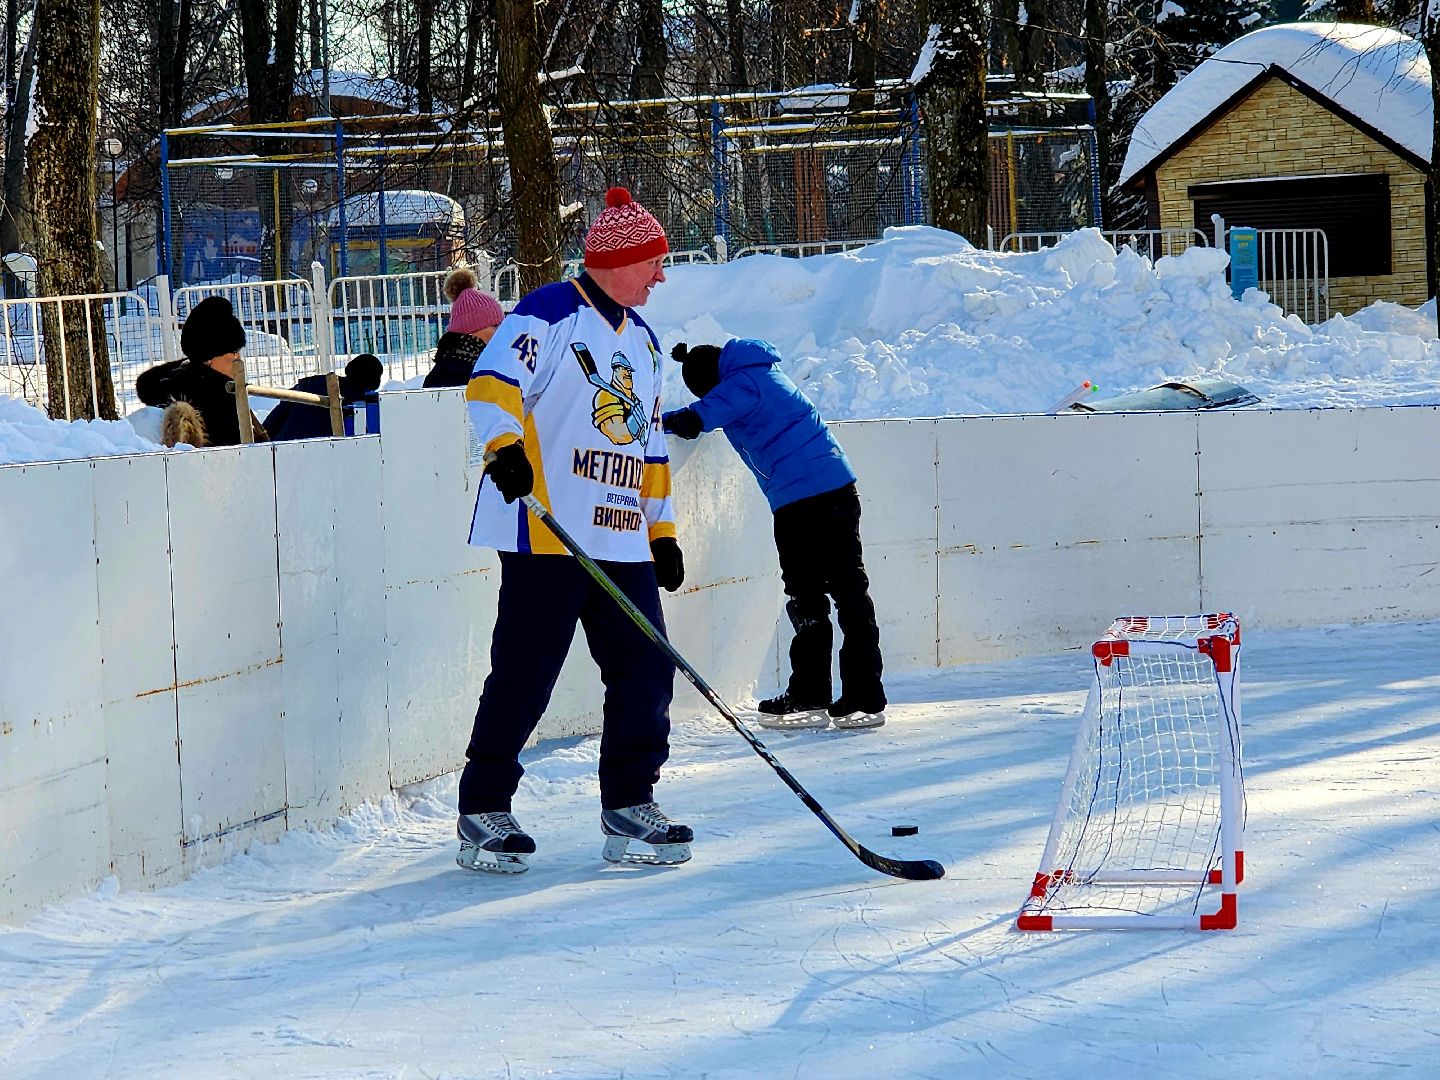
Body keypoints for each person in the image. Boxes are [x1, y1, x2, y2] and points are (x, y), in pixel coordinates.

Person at [455, 186, 689, 874]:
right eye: (656, 261)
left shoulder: (644, 343)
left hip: (620, 539)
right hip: (545, 530)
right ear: (623, 260)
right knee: (527, 674)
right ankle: (483, 807)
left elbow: (647, 449)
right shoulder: (550, 311)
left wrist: (663, 532)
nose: (662, 275)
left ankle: (629, 801)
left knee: (646, 671)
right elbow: (492, 384)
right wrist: (506, 450)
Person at [662, 338, 887, 731]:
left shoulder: (740, 385)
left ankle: (812, 694)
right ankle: (862, 695)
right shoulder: (764, 371)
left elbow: (691, 421)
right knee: (850, 590)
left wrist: (645, 425)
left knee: (807, 597)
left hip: (801, 500)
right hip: (836, 488)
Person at [136, 295, 268, 448]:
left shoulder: (213, 387)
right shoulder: (211, 397)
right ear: (210, 357)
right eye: (233, 351)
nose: (238, 358)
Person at [262, 353, 384, 441]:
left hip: (281, 448)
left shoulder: (310, 385)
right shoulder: (365, 406)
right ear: (374, 382)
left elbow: (273, 421)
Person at [423, 267, 505, 388]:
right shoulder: (453, 373)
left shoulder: (475, 361)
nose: (500, 331)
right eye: (495, 325)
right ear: (472, 329)